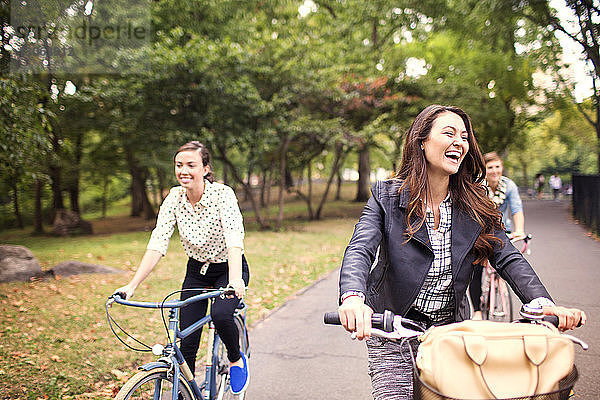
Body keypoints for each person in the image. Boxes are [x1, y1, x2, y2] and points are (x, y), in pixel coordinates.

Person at [336, 105, 586, 400]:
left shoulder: (475, 202)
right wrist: (353, 298)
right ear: (422, 140)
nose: (460, 142)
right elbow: (360, 247)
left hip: (450, 332)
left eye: (465, 137)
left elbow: (507, 255)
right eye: (449, 133)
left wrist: (542, 303)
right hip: (393, 331)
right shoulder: (387, 196)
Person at [113, 141, 250, 394]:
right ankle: (185, 393)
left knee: (221, 315)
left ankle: (234, 357)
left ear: (206, 168)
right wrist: (132, 285)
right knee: (186, 342)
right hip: (196, 271)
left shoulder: (223, 194)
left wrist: (234, 279)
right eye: (179, 165)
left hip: (228, 269)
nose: (183, 170)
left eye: (191, 165)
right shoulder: (174, 198)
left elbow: (233, 237)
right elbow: (158, 243)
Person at [469, 151, 525, 320]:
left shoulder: (509, 186)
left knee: (508, 261)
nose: (494, 171)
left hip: (501, 230)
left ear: (502, 168)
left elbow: (516, 210)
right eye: (490, 167)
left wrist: (520, 230)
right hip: (479, 230)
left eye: (497, 167)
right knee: (476, 267)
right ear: (484, 170)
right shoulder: (478, 187)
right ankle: (477, 311)